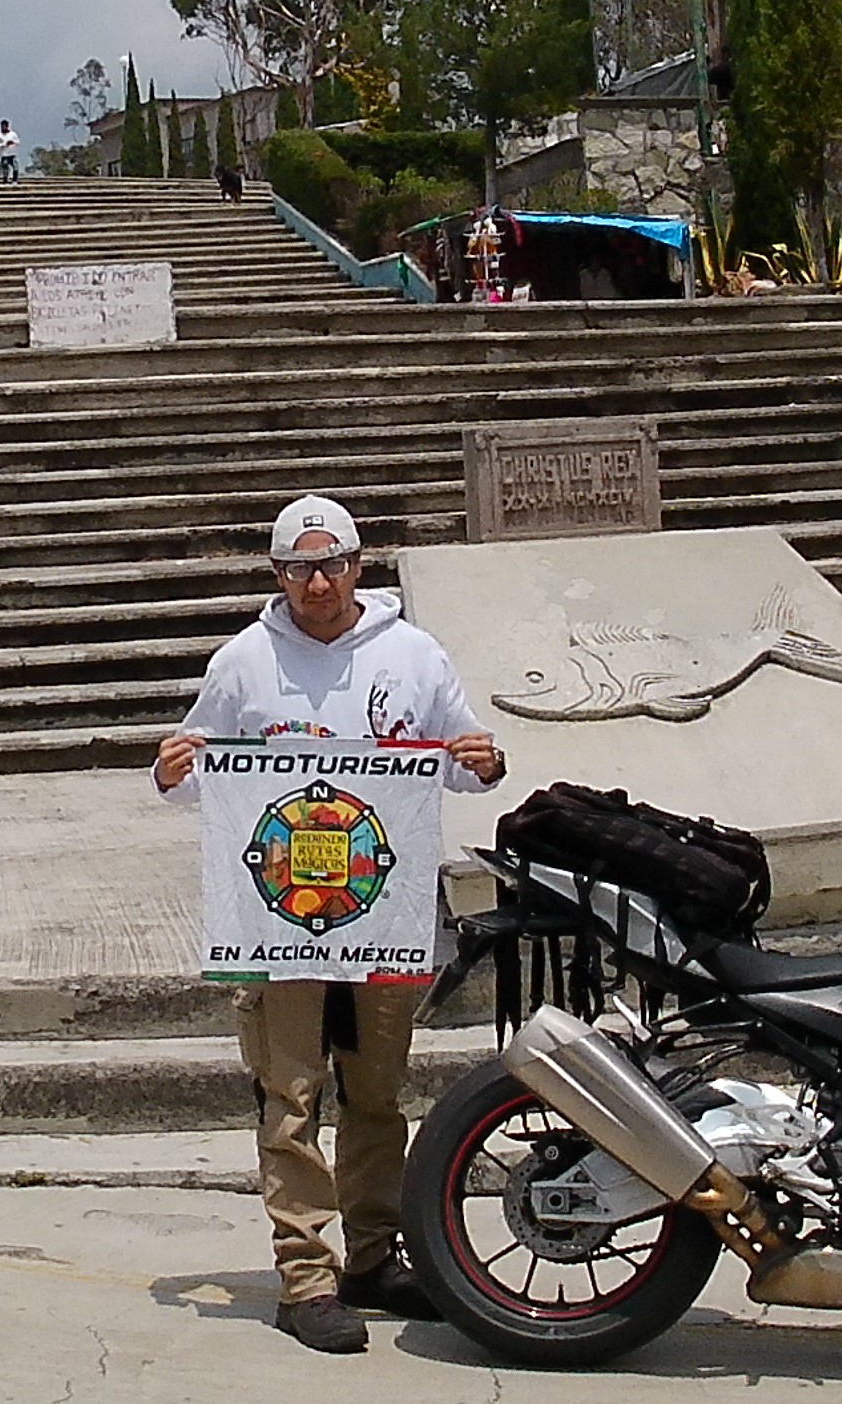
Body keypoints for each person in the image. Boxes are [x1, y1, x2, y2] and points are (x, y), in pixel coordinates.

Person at [155, 496, 506, 1355]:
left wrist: (483, 758)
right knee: (292, 1095)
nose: (318, 583)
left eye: (333, 564)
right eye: (300, 569)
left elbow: (461, 762)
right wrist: (170, 769)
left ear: (359, 564)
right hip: (280, 924)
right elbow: (201, 777)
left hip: (380, 915)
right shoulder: (244, 662)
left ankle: (375, 1255)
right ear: (277, 574)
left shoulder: (413, 653)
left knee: (378, 1093)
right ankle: (306, 1273)